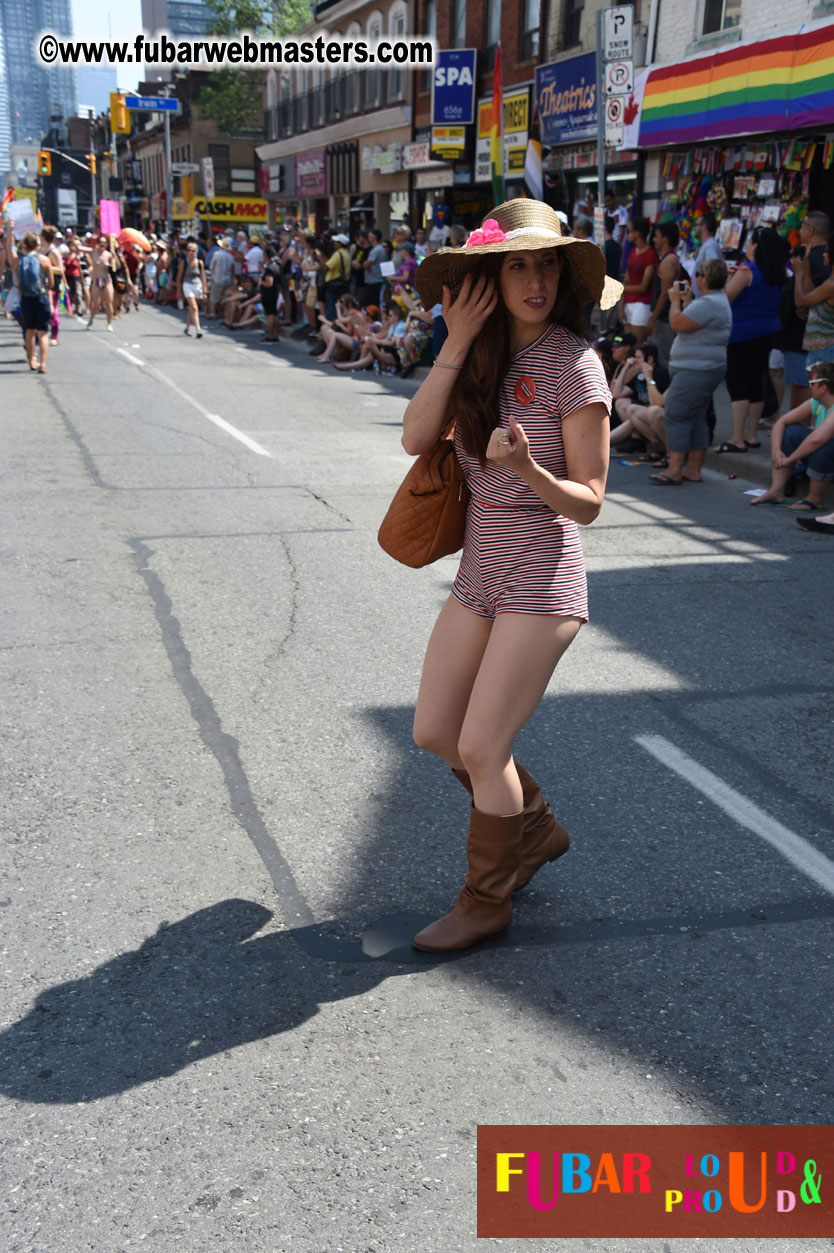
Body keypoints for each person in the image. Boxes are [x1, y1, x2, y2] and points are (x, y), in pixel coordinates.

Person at [401, 199, 620, 952]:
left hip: (542, 573)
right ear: (492, 275)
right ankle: (532, 826)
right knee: (436, 731)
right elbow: (414, 436)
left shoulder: (575, 363)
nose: (536, 278)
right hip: (478, 570)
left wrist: (527, 467)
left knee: (482, 746)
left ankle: (486, 899)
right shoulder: (480, 351)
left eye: (548, 262)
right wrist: (457, 338)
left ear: (566, 273)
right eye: (519, 263)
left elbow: (589, 502)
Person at [649, 256, 731, 485]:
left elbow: (677, 323)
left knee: (676, 414)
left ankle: (674, 470)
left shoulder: (710, 303)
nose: (695, 280)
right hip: (700, 368)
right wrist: (687, 302)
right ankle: (692, 470)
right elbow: (690, 322)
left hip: (696, 370)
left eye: (698, 275)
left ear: (705, 278)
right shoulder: (712, 300)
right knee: (695, 418)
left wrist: (674, 301)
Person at [750, 360, 834, 512]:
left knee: (824, 445)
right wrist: (777, 451)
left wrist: (790, 458)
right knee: (791, 432)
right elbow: (781, 422)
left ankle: (815, 500)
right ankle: (776, 491)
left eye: (812, 383)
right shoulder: (817, 402)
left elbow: (817, 439)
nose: (809, 387)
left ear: (823, 387)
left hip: (827, 456)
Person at [779, 212, 830, 410]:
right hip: (805, 336)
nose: (798, 231)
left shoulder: (818, 260)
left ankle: (799, 434)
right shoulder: (808, 256)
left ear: (811, 230)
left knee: (806, 387)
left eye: (801, 226)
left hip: (806, 338)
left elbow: (806, 297)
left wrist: (804, 304)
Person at [8, 230, 53, 372]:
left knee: (29, 331)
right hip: (41, 297)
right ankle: (43, 363)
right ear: (37, 245)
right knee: (43, 333)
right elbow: (51, 283)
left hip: (26, 299)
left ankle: (32, 359)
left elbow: (10, 251)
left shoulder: (18, 261)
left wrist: (10, 230)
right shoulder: (44, 260)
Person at [646, 220, 681, 368]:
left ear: (665, 239)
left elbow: (664, 294)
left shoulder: (669, 261)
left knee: (664, 358)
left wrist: (652, 320)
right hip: (663, 318)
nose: (654, 239)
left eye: (657, 236)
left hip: (665, 319)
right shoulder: (666, 259)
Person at [619, 216, 659, 344]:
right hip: (629, 303)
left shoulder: (650, 254)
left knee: (636, 345)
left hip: (642, 304)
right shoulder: (632, 251)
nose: (627, 234)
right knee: (627, 346)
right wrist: (621, 307)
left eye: (629, 231)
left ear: (638, 233)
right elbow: (627, 279)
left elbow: (644, 286)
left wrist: (621, 288)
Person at [176, 241, 206, 338]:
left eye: (193, 250)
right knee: (194, 307)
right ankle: (198, 330)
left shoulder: (200, 263)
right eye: (189, 250)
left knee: (192, 309)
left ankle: (187, 327)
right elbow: (179, 278)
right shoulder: (184, 263)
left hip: (197, 285)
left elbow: (203, 277)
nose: (191, 252)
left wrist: (205, 291)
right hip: (187, 284)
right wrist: (178, 291)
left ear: (196, 251)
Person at [258, 245, 283, 342]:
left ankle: (270, 336)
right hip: (274, 293)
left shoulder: (270, 268)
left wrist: (260, 281)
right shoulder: (275, 267)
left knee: (270, 315)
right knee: (274, 314)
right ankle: (275, 335)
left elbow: (269, 283)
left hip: (268, 294)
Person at [324, 233, 351, 319]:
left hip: (334, 285)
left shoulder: (337, 254)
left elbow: (327, 266)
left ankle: (333, 325)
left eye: (336, 242)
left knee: (333, 307)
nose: (334, 243)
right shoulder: (347, 254)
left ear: (340, 243)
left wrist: (319, 256)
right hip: (343, 284)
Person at [208, 237, 234, 317]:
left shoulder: (217, 254)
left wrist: (212, 275)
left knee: (214, 297)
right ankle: (225, 314)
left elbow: (212, 266)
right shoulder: (231, 256)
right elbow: (232, 268)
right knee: (225, 298)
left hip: (217, 278)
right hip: (227, 279)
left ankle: (213, 313)